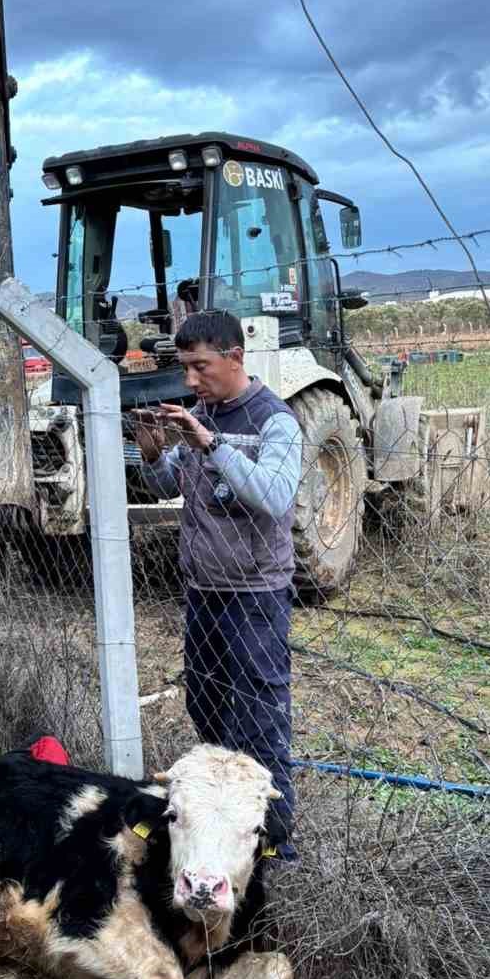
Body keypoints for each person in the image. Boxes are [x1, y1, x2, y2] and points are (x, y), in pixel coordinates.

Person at [135, 309, 302, 856]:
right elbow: (163, 486)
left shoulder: (274, 421)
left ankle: (275, 842)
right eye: (184, 368)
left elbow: (274, 497)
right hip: (203, 593)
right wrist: (154, 450)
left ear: (235, 357)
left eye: (200, 366)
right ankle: (220, 827)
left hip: (255, 597)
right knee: (208, 711)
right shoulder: (199, 413)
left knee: (259, 721)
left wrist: (211, 444)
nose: (190, 381)